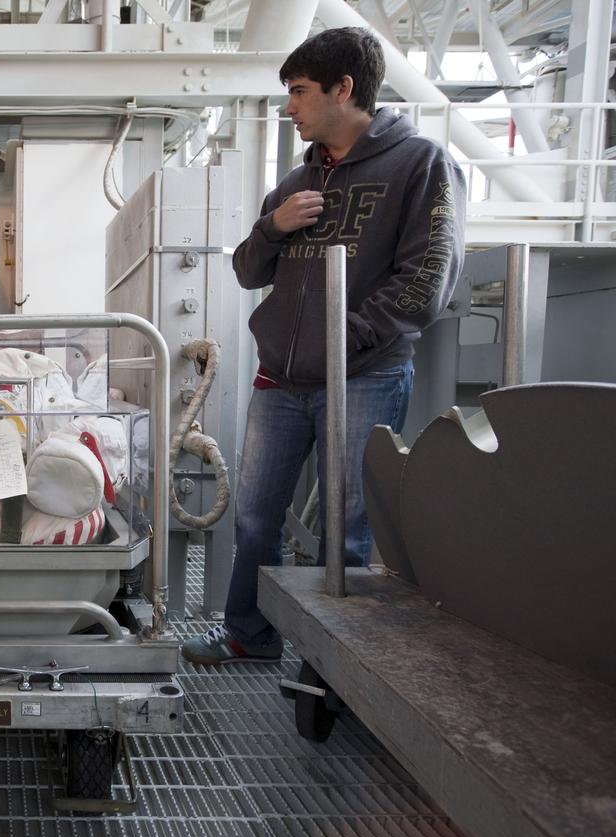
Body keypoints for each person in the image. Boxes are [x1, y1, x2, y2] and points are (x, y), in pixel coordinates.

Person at [181, 27, 466, 665]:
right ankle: (251, 634)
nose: (290, 107)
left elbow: (427, 280)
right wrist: (272, 226)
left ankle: (332, 663)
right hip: (281, 381)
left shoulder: (420, 165)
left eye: (300, 91)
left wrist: (346, 341)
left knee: (346, 525)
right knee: (256, 516)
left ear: (344, 88)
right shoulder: (293, 182)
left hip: (364, 375)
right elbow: (248, 271)